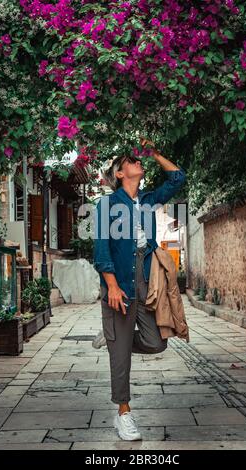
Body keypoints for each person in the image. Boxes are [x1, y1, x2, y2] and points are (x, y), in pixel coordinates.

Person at [93, 138, 186, 441]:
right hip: (119, 282)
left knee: (158, 342)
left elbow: (178, 178)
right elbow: (101, 247)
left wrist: (156, 153)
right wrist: (111, 285)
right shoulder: (106, 205)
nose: (137, 162)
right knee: (121, 360)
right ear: (119, 173)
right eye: (131, 160)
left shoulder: (147, 200)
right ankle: (124, 414)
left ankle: (114, 339)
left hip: (146, 281)